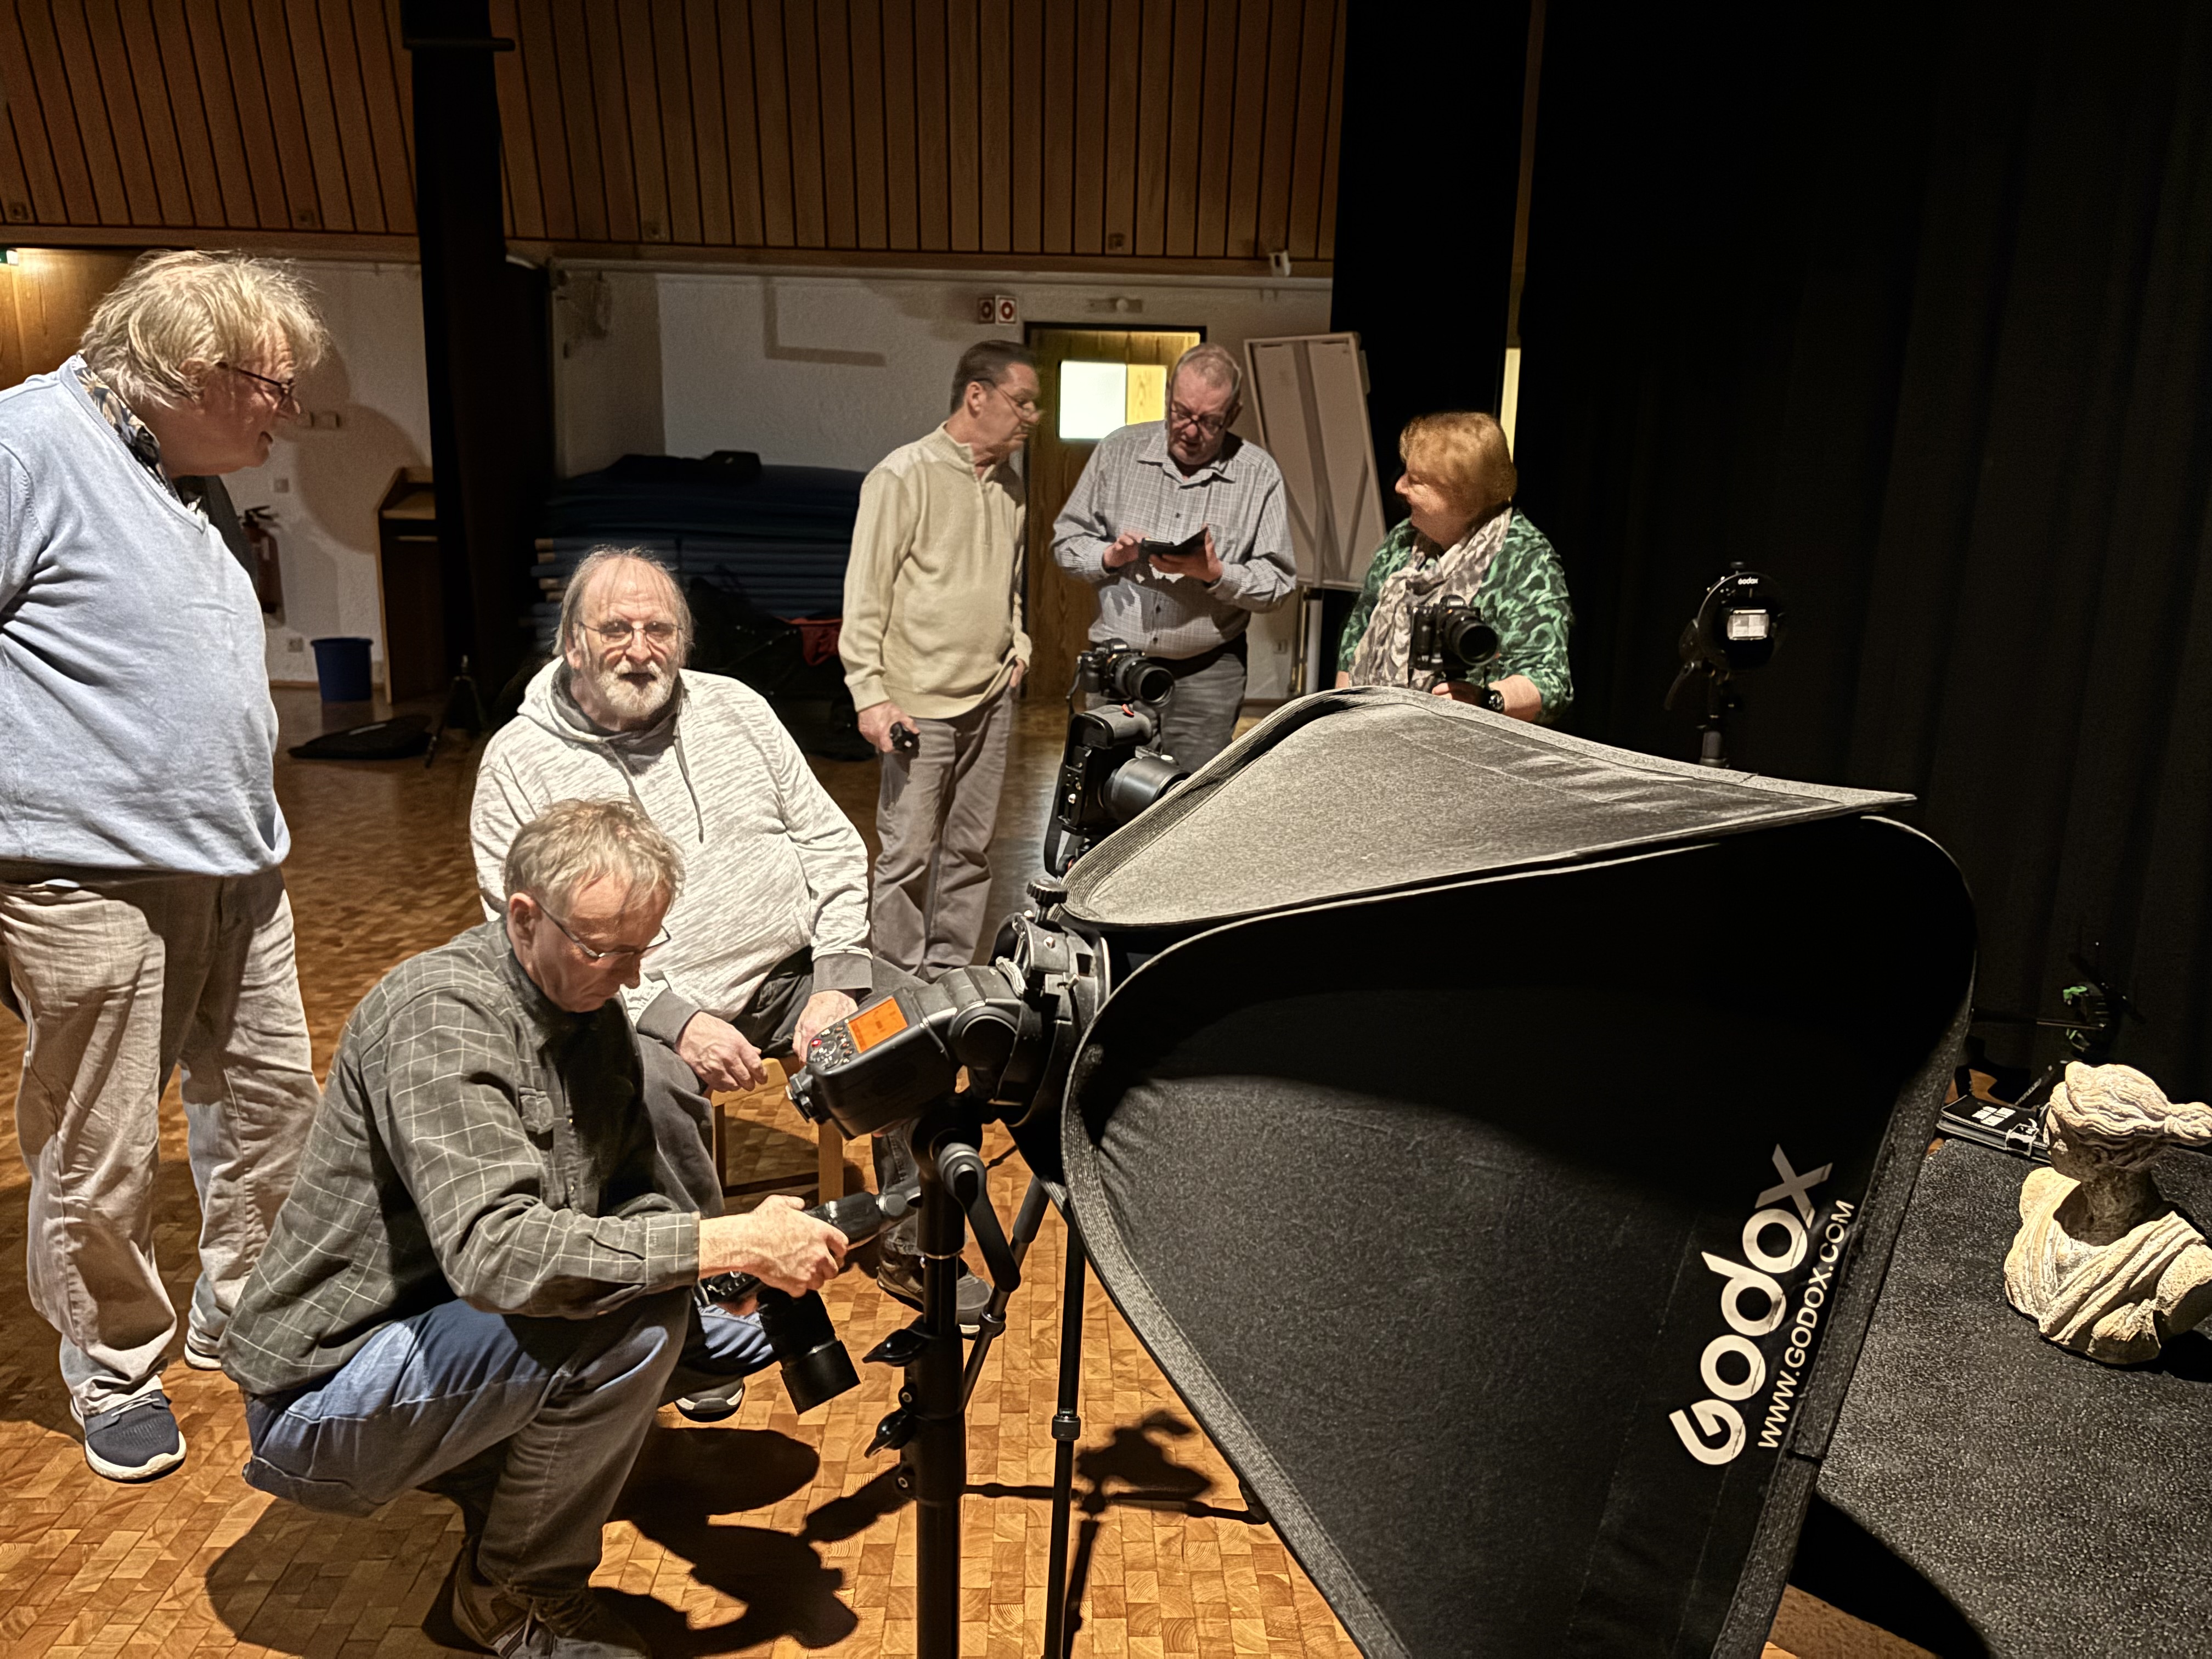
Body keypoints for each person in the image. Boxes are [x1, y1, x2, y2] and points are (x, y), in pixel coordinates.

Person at [225, 799, 848, 1659]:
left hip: (439, 1327)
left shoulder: (589, 1014)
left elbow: (630, 1198)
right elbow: (498, 1254)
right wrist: (727, 1242)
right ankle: (512, 1597)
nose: (630, 977)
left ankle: (486, 1462)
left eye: (642, 949)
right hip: (321, 1391)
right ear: (524, 917)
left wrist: (720, 1271)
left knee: (728, 1332)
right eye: (605, 949)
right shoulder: (441, 1018)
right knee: (633, 1324)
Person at [471, 548, 989, 1330]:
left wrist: (836, 980)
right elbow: (528, 935)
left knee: (920, 1026)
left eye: (659, 629)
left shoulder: (737, 708)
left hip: (789, 977)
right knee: (643, 1085)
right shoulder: (517, 762)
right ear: (572, 643)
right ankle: (705, 1291)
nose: (641, 650)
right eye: (616, 630)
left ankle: (914, 1242)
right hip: (628, 1005)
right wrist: (674, 1020)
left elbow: (830, 843)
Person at [0, 250, 328, 1481]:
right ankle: (113, 1366)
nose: (287, 413)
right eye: (274, 387)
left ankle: (243, 1314)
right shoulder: (26, 449)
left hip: (238, 863)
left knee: (270, 1112)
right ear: (194, 370)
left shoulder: (192, 473)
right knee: (102, 1148)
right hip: (89, 877)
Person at [842, 340, 1036, 979]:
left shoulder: (1011, 486)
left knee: (971, 851)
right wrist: (870, 695)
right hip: (918, 704)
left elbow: (1009, 584)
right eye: (1022, 402)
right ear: (977, 396)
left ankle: (949, 977)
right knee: (907, 856)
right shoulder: (903, 475)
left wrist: (1018, 644)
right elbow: (865, 595)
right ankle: (896, 986)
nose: (1032, 417)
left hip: (991, 698)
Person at [1051, 342, 1296, 769]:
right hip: (1118, 669)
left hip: (1208, 675)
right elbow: (1066, 542)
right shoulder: (1118, 451)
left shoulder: (1258, 474)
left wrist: (1216, 573)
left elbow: (1278, 583)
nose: (1190, 430)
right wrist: (1110, 555)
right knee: (1109, 791)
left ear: (1233, 414)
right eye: (1181, 413)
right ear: (1167, 396)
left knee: (1191, 797)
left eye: (1209, 421)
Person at [1335, 410, 1573, 724]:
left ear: (1462, 496)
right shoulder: (1404, 539)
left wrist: (1483, 700)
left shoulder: (1525, 559)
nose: (1400, 487)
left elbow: (1549, 681)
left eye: (1416, 481)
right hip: (1377, 730)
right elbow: (1358, 632)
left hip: (1469, 741)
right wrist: (1343, 719)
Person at [2003, 1062, 2212, 1365]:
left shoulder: (2189, 1269)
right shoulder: (2042, 1190)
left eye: (2055, 1131)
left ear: (2097, 1157)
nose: (2043, 1135)